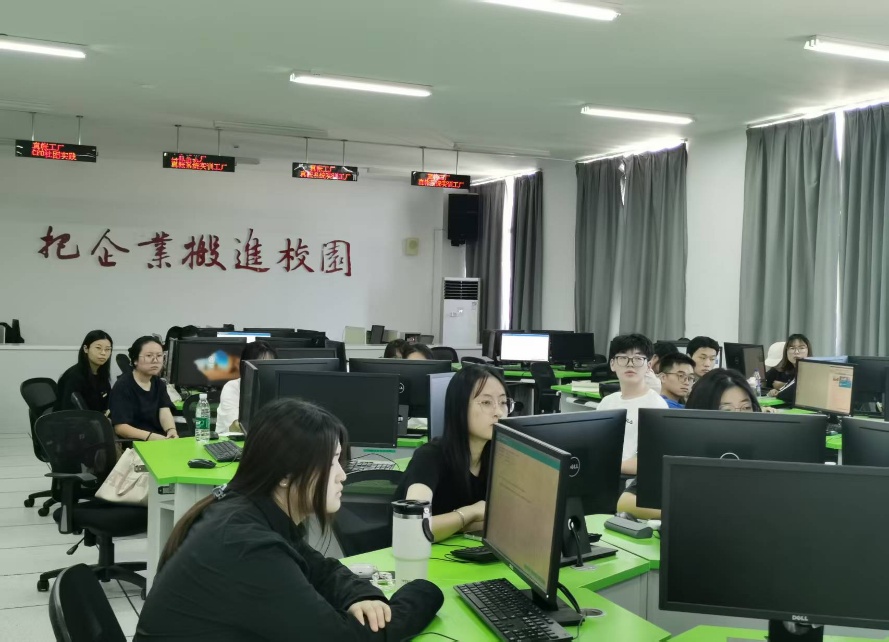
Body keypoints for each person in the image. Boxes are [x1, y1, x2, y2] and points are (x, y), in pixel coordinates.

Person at [135, 399, 443, 641]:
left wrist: (363, 595)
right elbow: (341, 637)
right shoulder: (247, 546)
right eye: (331, 462)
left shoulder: (249, 510)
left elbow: (320, 568)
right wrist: (423, 592)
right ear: (285, 475)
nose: (342, 475)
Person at [616, 369, 763, 519]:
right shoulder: (677, 443)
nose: (738, 416)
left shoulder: (765, 445)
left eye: (746, 408)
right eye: (726, 410)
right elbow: (625, 503)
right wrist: (689, 514)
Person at [398, 365, 512, 542]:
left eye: (503, 402)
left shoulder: (500, 456)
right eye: (486, 402)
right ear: (460, 408)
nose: (498, 412)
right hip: (410, 555)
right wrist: (470, 513)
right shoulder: (429, 457)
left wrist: (457, 524)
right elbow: (414, 527)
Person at [596, 334, 668, 475]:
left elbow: (649, 461)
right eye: (623, 357)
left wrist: (604, 465)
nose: (630, 364)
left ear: (648, 366)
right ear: (612, 364)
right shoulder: (607, 402)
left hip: (629, 480)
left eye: (638, 358)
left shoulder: (656, 406)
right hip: (602, 474)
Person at [110, 336, 178, 441]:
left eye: (159, 356)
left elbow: (164, 409)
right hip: (135, 442)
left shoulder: (158, 383)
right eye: (149, 356)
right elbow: (120, 428)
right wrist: (151, 437)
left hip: (159, 439)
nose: (155, 360)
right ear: (135, 360)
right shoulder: (123, 386)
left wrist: (171, 430)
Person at [216, 341, 277, 433]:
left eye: (270, 366)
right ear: (246, 367)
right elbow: (237, 427)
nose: (266, 371)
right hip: (233, 440)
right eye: (261, 365)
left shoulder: (276, 388)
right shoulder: (232, 388)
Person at [55, 330, 114, 413]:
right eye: (98, 348)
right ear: (86, 349)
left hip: (96, 418)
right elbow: (69, 411)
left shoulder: (101, 374)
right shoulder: (74, 377)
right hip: (73, 419)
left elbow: (107, 404)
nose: (103, 353)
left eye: (107, 349)